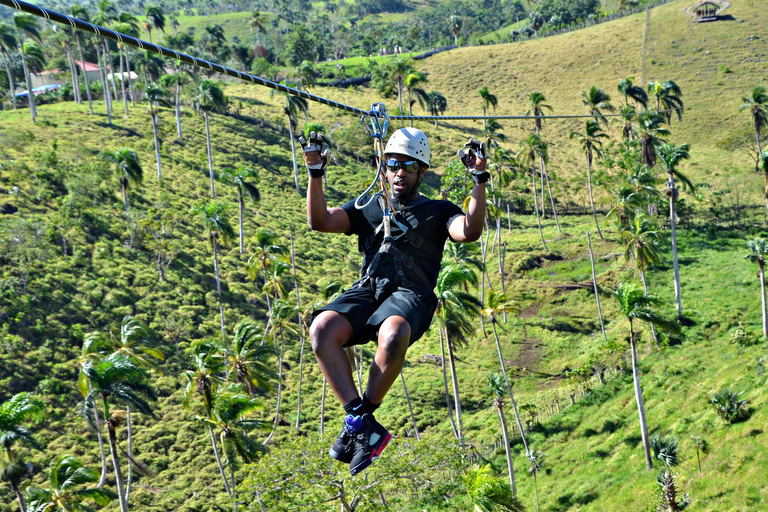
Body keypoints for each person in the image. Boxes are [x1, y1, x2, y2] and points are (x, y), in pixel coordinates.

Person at [301, 127, 488, 476]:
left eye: (409, 166)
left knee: (393, 333)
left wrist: (478, 180)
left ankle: (359, 424)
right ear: (383, 166)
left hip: (411, 294)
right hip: (370, 288)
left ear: (421, 172)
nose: (400, 172)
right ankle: (362, 424)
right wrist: (315, 172)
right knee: (322, 329)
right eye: (394, 164)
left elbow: (469, 231)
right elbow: (321, 221)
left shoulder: (438, 211)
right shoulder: (370, 206)